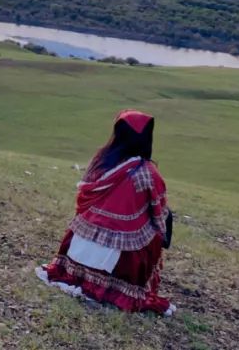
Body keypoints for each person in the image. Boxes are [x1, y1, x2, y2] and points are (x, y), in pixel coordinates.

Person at [36, 109, 174, 315]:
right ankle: (124, 285)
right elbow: (159, 214)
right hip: (120, 257)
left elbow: (84, 198)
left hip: (79, 243)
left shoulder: (102, 160)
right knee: (159, 228)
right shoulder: (147, 173)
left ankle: (78, 272)